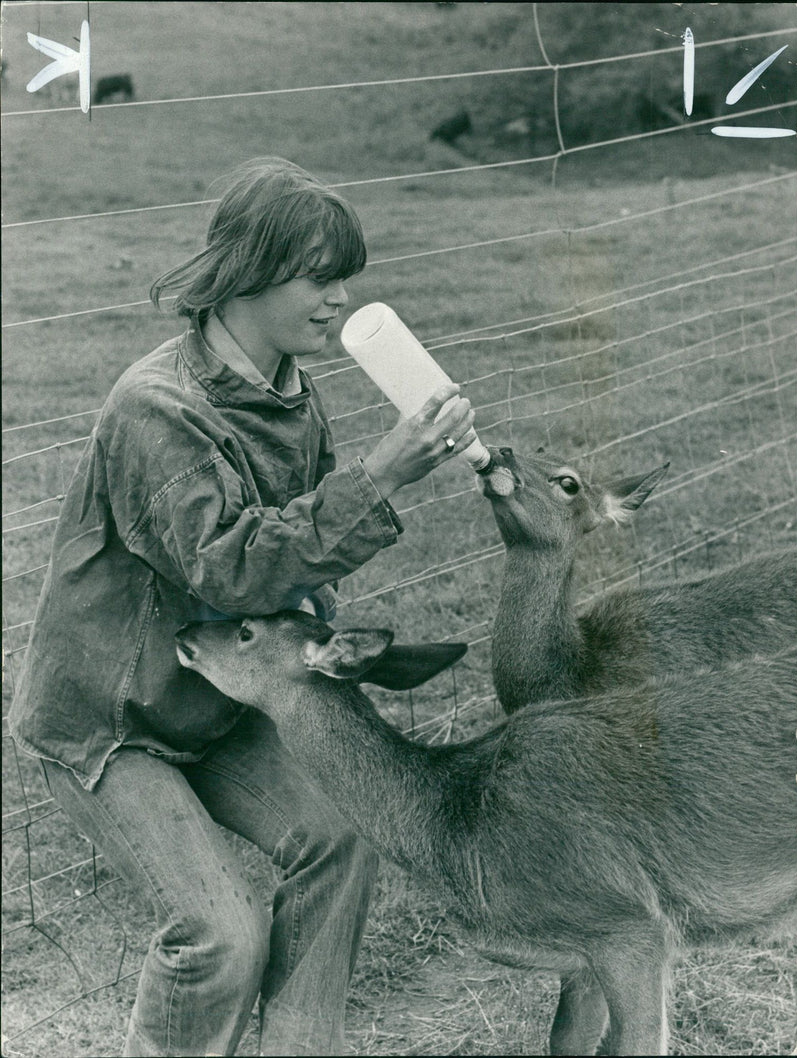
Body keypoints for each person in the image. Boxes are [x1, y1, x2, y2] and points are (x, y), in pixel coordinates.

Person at [9, 157, 477, 1057]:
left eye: (346, 277)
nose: (340, 299)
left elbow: (295, 573)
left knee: (341, 836)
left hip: (219, 699)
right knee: (221, 936)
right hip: (113, 723)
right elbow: (229, 571)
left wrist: (332, 647)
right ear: (249, 271)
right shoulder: (156, 409)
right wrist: (380, 477)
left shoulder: (291, 398)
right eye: (319, 276)